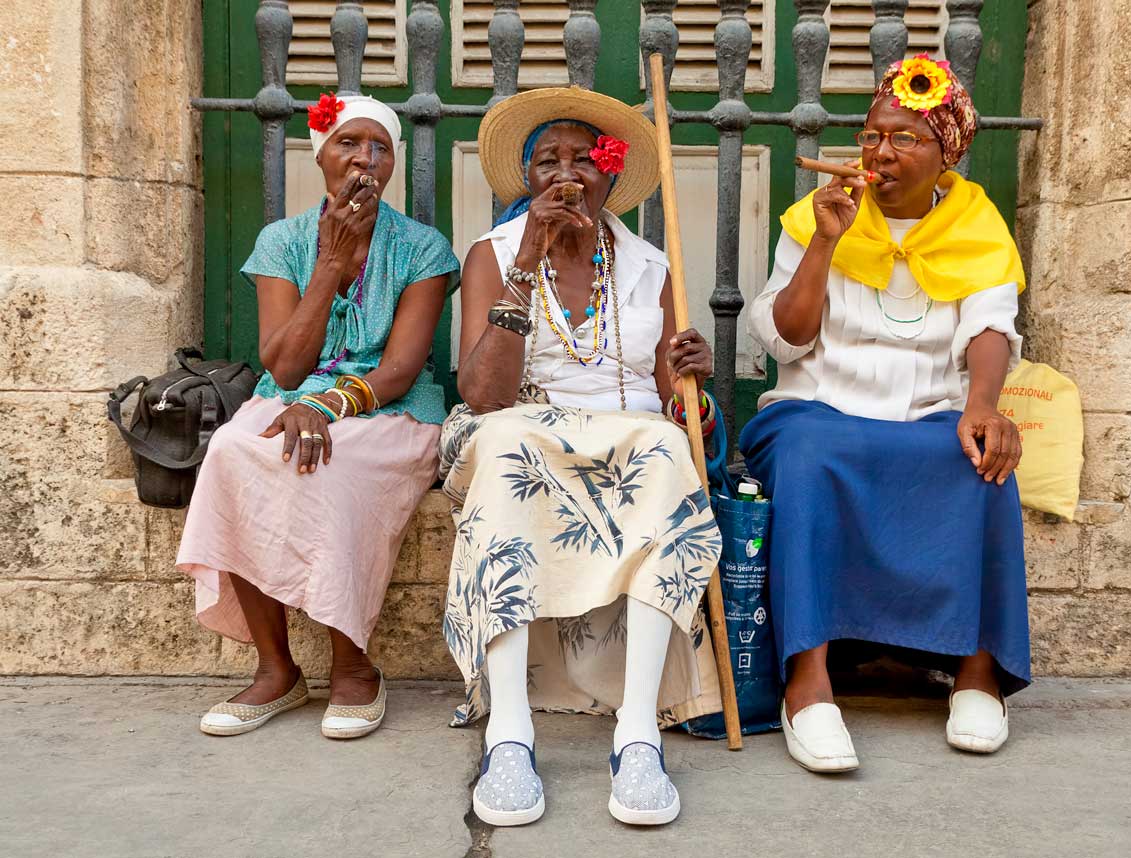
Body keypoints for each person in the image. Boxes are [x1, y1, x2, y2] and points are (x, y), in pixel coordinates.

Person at [443, 86, 722, 827]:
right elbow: (483, 395)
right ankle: (509, 731)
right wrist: (527, 260)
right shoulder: (492, 255)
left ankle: (636, 734)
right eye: (547, 161)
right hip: (519, 422)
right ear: (526, 180)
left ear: (609, 175)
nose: (566, 174)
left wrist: (692, 371)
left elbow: (676, 406)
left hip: (626, 429)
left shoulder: (650, 266)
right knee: (504, 445)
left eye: (583, 159)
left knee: (667, 450)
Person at [742, 54, 1030, 771]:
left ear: (946, 154)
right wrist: (825, 241)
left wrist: (983, 407)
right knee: (808, 461)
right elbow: (787, 335)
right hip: (817, 407)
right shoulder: (818, 215)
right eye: (873, 135)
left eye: (905, 138)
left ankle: (978, 672)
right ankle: (808, 684)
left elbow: (991, 326)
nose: (881, 151)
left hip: (930, 408)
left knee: (982, 464)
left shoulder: (976, 223)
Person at [176, 94, 459, 740]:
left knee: (331, 466)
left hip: (391, 410)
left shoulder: (422, 248)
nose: (366, 159)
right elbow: (284, 363)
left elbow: (400, 369)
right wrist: (330, 263)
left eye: (380, 147)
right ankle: (276, 669)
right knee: (228, 453)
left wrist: (328, 405)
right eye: (349, 144)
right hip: (291, 395)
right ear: (321, 155)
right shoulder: (282, 243)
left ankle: (353, 667)